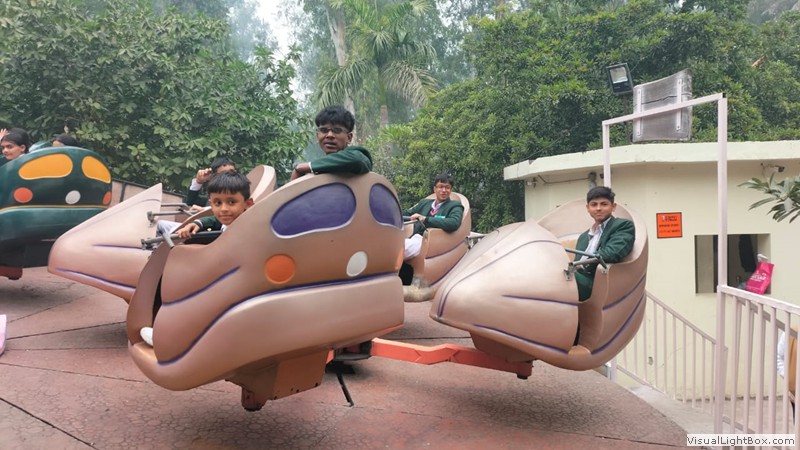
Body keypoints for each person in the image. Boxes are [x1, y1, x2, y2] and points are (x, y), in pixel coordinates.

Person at [140, 170, 254, 346]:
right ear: (211, 203)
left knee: (192, 296)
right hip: (219, 276)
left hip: (233, 284)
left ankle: (172, 338)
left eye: (231, 202)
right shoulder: (228, 220)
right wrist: (197, 223)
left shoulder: (248, 226)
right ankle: (165, 330)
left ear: (248, 203)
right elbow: (215, 220)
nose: (224, 209)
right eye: (217, 203)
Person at [573, 186, 635, 302]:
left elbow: (612, 253)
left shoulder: (622, 226)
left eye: (604, 204)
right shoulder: (583, 237)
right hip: (578, 279)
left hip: (598, 283)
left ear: (613, 207)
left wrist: (582, 265)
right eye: (594, 204)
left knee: (560, 277)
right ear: (588, 208)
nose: (598, 208)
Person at [155, 156, 237, 236]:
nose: (228, 177)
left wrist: (205, 211)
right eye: (223, 174)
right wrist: (198, 182)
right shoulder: (214, 194)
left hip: (212, 233)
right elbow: (190, 202)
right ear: (213, 177)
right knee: (159, 224)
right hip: (200, 228)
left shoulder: (238, 192)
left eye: (231, 173)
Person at [290, 105, 372, 180]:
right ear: (317, 136)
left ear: (349, 137)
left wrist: (307, 166)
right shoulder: (318, 170)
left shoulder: (356, 156)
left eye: (337, 130)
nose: (329, 135)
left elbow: (358, 159)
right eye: (324, 130)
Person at [402, 173, 464, 260]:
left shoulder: (455, 206)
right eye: (440, 187)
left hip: (431, 242)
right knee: (390, 244)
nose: (444, 190)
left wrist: (426, 219)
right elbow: (407, 213)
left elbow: (454, 223)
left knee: (399, 249)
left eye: (447, 187)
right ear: (435, 189)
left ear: (451, 190)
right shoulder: (424, 203)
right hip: (414, 238)